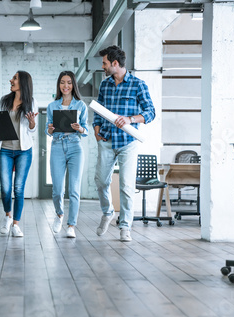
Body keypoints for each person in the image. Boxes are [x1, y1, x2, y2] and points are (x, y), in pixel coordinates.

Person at [93, 45, 156, 242]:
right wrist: (95, 127)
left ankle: (125, 226)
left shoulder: (138, 85)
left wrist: (131, 119)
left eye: (104, 63)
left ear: (115, 63)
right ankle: (108, 211)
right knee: (101, 181)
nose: (102, 66)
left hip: (128, 142)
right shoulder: (105, 85)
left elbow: (150, 113)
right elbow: (98, 110)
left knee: (127, 186)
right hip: (106, 139)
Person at [0, 71, 38, 237]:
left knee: (18, 188)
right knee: (5, 188)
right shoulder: (4, 101)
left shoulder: (31, 102)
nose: (11, 80)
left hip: (23, 151)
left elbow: (33, 129)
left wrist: (32, 122)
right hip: (5, 148)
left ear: (23, 83)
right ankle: (7, 217)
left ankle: (16, 224)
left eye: (15, 78)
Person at [45, 71, 88, 238]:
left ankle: (71, 225)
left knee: (74, 190)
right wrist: (48, 130)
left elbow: (86, 130)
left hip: (75, 147)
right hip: (57, 146)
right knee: (57, 190)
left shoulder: (80, 106)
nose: (66, 86)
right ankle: (59, 214)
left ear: (73, 85)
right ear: (59, 85)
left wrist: (80, 128)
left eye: (69, 82)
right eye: (62, 82)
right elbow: (47, 129)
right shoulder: (52, 106)